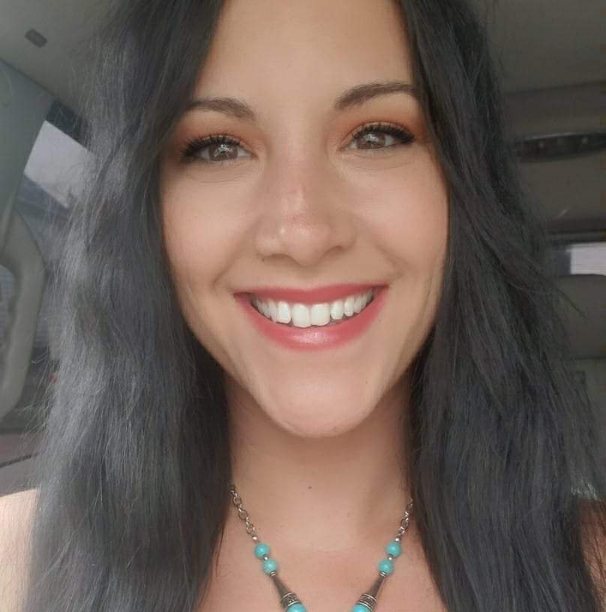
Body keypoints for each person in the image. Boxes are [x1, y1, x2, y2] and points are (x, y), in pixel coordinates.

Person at [1, 0, 604, 611]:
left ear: (461, 189)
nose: (304, 233)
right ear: (144, 213)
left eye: (376, 135)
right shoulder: (14, 562)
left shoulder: (593, 565)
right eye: (218, 147)